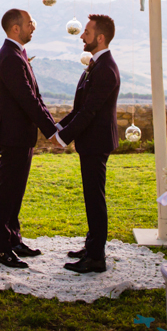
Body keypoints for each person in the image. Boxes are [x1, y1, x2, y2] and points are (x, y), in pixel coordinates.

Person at [0, 8, 58, 269]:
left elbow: (34, 97)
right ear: (16, 28)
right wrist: (52, 131)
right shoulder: (11, 58)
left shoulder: (16, 54)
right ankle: (2, 250)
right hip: (13, 134)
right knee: (7, 192)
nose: (33, 27)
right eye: (29, 23)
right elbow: (27, 100)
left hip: (20, 134)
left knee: (16, 191)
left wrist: (53, 127)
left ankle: (14, 240)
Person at [52, 14, 120, 274]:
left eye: (87, 32)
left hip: (96, 142)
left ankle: (96, 258)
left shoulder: (105, 69)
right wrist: (57, 127)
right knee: (92, 197)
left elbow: (89, 112)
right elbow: (79, 108)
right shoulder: (96, 65)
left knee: (95, 199)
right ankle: (92, 246)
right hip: (90, 142)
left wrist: (63, 137)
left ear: (100, 38)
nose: (82, 36)